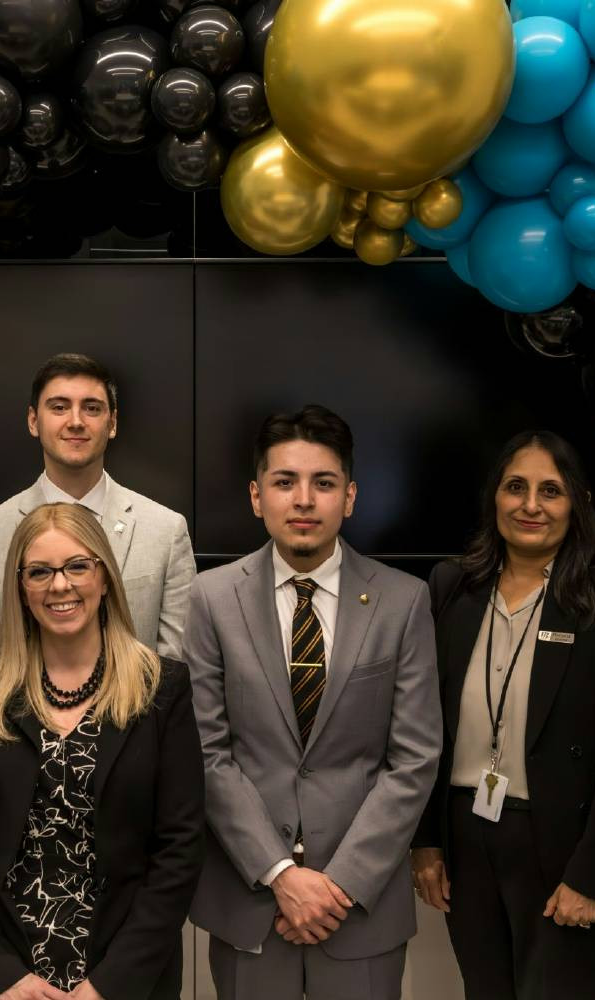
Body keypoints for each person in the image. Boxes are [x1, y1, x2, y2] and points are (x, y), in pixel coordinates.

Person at [184, 405, 442, 1000]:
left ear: (349, 497)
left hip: (359, 909)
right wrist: (281, 876)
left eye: (323, 483)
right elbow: (207, 752)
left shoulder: (404, 602)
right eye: (284, 482)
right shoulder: (211, 599)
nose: (304, 499)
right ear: (256, 496)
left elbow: (414, 757)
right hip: (251, 902)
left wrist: (338, 885)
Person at [0, 502, 204, 1000]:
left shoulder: (162, 689)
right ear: (20, 587)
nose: (60, 585)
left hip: (125, 976)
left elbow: (179, 849)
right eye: (39, 571)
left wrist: (110, 985)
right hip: (5, 977)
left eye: (78, 565)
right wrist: (1, 976)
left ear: (104, 576)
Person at [410, 431, 595, 999]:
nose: (531, 505)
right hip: (468, 837)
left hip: (565, 841)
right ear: (495, 497)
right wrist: (426, 843)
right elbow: (420, 725)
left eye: (551, 491)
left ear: (579, 505)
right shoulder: (453, 586)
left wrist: (592, 872)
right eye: (516, 487)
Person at [0, 353, 196, 663]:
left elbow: (176, 673)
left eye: (92, 408)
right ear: (33, 421)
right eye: (59, 407)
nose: (76, 421)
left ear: (113, 423)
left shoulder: (166, 531)